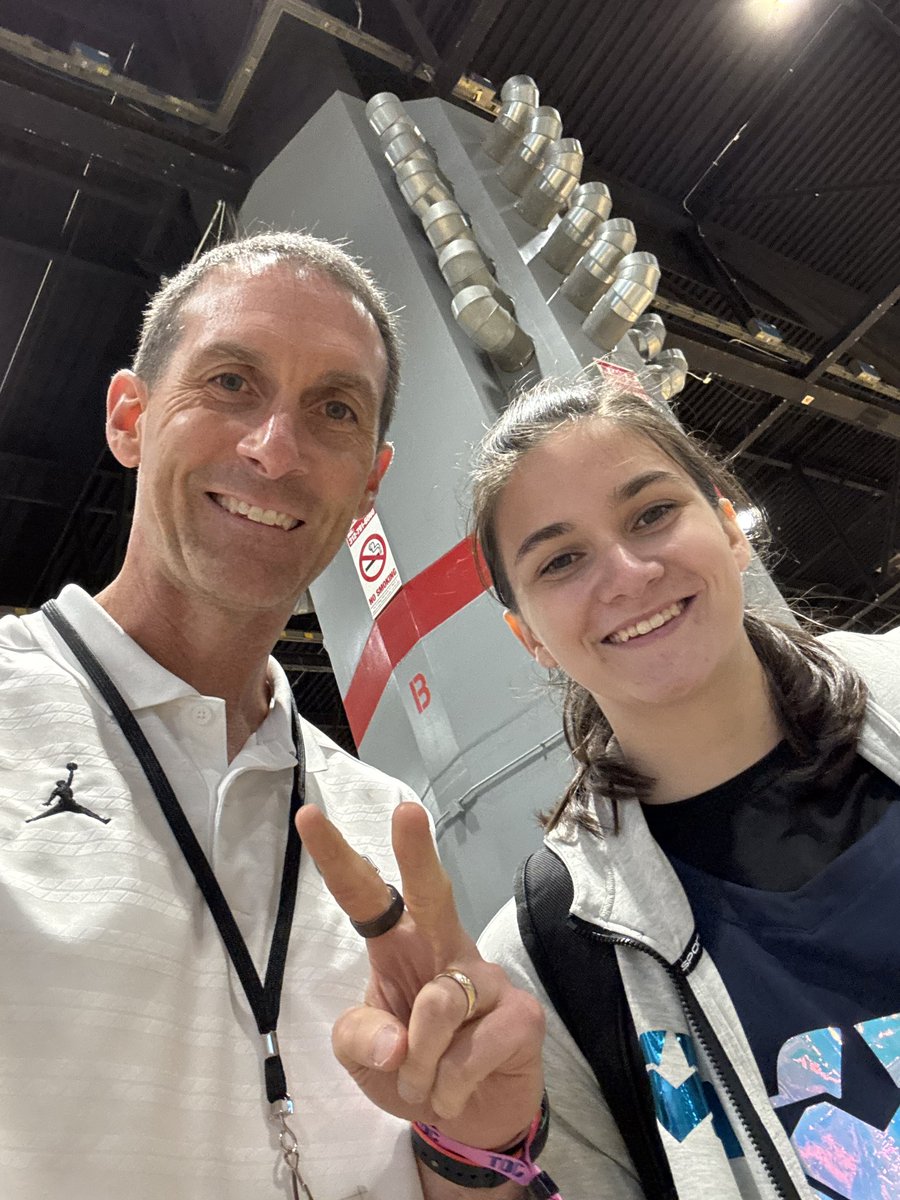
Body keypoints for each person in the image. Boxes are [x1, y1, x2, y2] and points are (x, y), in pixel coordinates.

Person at [0, 230, 544, 1200]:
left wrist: (479, 1142)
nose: (275, 449)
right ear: (130, 417)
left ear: (370, 482)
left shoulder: (380, 826)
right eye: (230, 383)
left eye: (333, 410)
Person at [468, 376, 900, 1200]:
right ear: (530, 637)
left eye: (651, 514)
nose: (627, 574)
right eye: (561, 560)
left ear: (731, 526)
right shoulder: (544, 958)